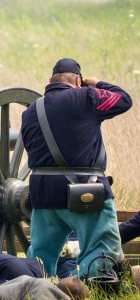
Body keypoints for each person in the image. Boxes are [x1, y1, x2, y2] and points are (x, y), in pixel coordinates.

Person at [21, 58, 131, 279]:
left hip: (43, 195)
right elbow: (123, 100)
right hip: (84, 190)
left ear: (50, 81)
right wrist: (96, 83)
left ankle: (34, 291)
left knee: (41, 257)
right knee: (101, 249)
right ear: (78, 80)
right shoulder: (86, 97)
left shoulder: (32, 110)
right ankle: (93, 290)